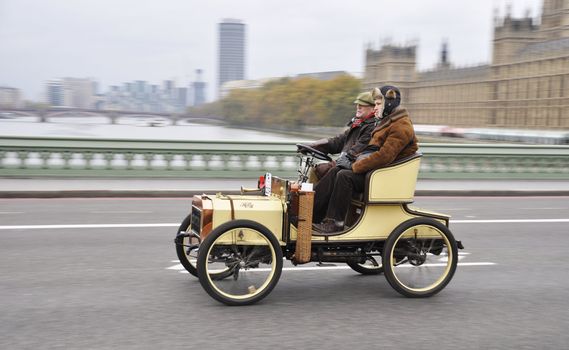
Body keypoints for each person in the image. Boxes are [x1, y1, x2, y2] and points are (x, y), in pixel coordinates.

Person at [312, 85, 419, 233]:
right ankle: (313, 214)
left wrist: (355, 166)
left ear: (388, 103)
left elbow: (384, 156)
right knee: (337, 170)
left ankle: (335, 223)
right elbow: (370, 150)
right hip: (375, 171)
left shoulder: (401, 126)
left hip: (384, 176)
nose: (375, 108)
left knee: (344, 176)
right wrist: (351, 161)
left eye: (377, 104)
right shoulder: (387, 121)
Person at [304, 91, 376, 185]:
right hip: (344, 163)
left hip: (352, 166)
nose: (358, 107)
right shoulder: (358, 124)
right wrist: (315, 145)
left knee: (319, 170)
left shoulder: (371, 127)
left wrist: (335, 164)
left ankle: (312, 198)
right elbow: (338, 141)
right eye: (358, 104)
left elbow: (356, 151)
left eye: (363, 105)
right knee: (316, 169)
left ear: (373, 108)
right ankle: (310, 197)